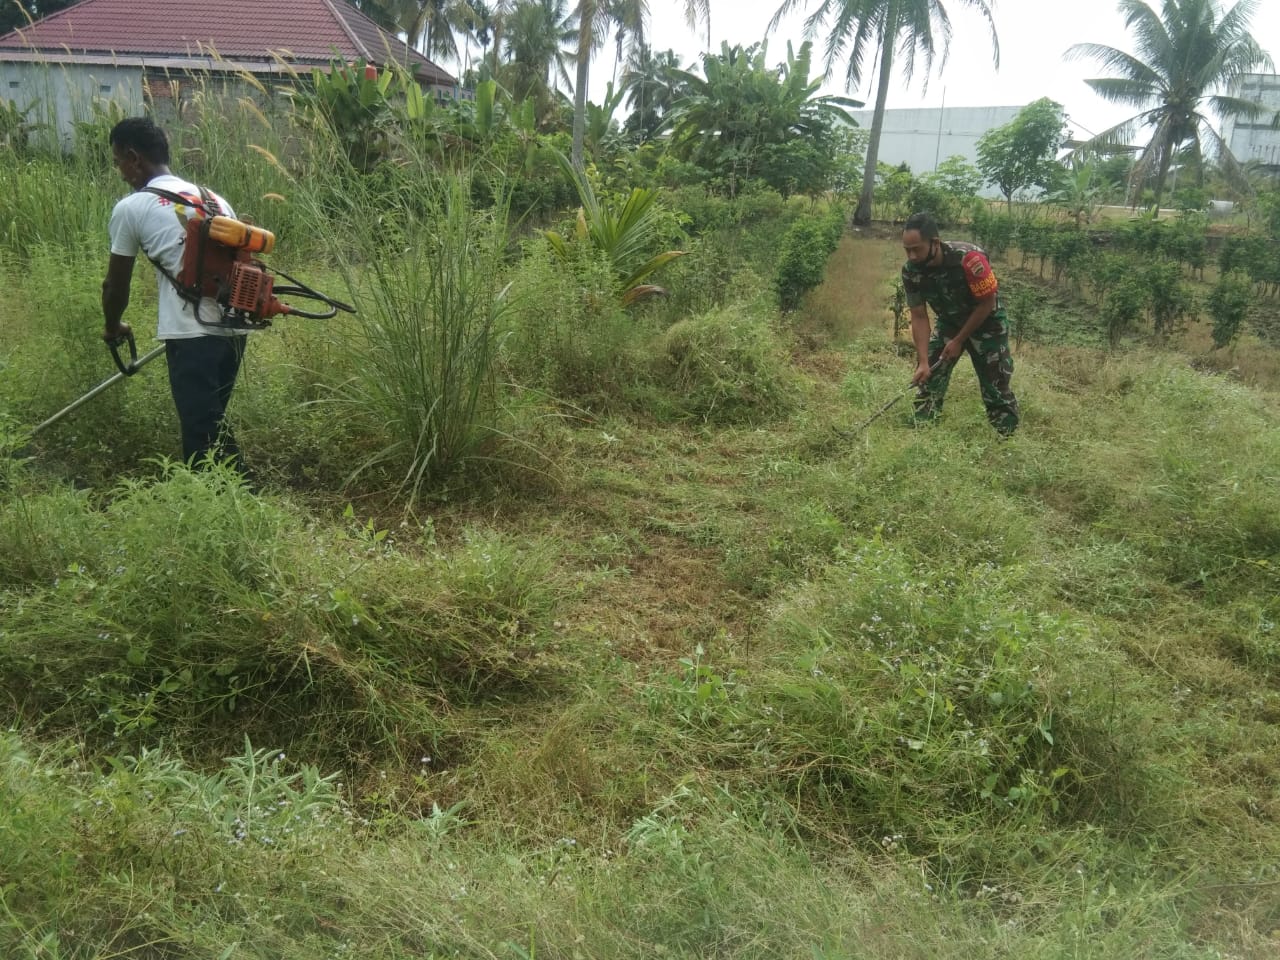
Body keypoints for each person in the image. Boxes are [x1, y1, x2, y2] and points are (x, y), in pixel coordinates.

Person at [101, 116, 250, 472]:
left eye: (119, 160)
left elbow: (115, 284)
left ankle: (242, 498)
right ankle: (216, 498)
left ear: (134, 157)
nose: (121, 170)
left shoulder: (132, 208)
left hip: (191, 334)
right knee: (208, 423)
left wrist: (113, 325)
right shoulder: (215, 199)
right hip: (234, 331)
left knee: (203, 431)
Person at [900, 211, 1019, 437]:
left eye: (917, 249)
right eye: (907, 249)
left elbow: (986, 304)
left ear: (934, 242)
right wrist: (923, 361)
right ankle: (922, 434)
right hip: (950, 323)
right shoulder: (911, 271)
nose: (912, 256)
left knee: (995, 385)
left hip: (988, 324)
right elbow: (919, 316)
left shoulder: (969, 259)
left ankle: (1006, 439)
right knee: (929, 378)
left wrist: (959, 341)